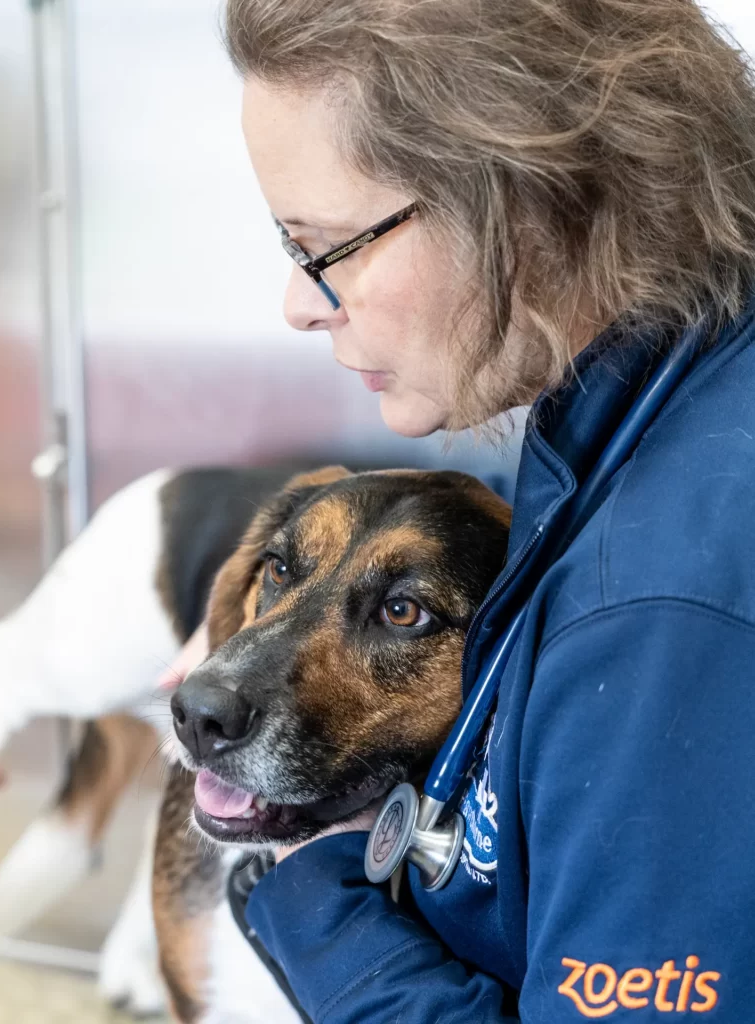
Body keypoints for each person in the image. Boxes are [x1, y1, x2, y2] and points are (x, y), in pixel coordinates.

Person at [175, 1, 755, 1019]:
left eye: (328, 245)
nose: (301, 301)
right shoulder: (659, 407)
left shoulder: (660, 606)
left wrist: (310, 885)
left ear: (519, 199)